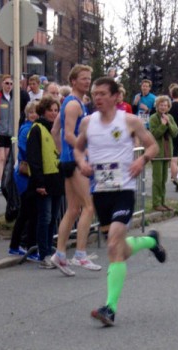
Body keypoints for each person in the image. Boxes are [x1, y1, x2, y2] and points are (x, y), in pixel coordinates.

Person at [74, 77, 165, 326]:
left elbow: (153, 146)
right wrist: (82, 163)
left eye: (103, 93)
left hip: (124, 188)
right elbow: (78, 149)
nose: (97, 98)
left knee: (114, 241)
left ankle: (110, 308)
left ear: (116, 96)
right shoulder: (87, 123)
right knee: (118, 249)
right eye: (95, 94)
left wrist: (141, 160)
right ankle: (149, 241)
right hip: (100, 190)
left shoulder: (129, 121)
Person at [51, 64, 102, 274]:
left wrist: (61, 154)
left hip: (69, 160)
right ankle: (80, 254)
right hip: (76, 161)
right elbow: (68, 134)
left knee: (73, 209)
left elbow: (55, 130)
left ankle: (60, 254)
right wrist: (83, 155)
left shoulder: (75, 103)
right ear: (73, 81)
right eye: (83, 78)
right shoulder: (73, 105)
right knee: (89, 206)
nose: (87, 81)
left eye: (89, 78)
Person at [26, 96, 65, 270]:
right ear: (43, 111)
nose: (54, 113)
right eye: (51, 110)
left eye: (56, 110)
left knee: (53, 219)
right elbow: (34, 158)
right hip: (44, 180)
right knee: (45, 217)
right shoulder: (37, 129)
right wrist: (39, 182)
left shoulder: (57, 130)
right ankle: (44, 254)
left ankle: (50, 249)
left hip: (57, 179)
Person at [8, 101, 40, 259]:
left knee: (26, 213)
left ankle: (16, 246)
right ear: (27, 114)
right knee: (29, 213)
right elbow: (24, 149)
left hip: (28, 175)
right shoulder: (27, 129)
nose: (34, 114)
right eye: (32, 112)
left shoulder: (33, 128)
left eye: (36, 112)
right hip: (25, 175)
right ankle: (27, 247)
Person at [149, 95, 178, 211]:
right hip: (157, 153)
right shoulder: (153, 118)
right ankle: (156, 203)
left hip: (167, 152)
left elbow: (175, 132)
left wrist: (168, 123)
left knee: (164, 179)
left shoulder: (170, 117)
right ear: (157, 106)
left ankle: (163, 201)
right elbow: (154, 134)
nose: (163, 107)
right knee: (157, 179)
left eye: (165, 105)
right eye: (161, 105)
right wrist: (162, 125)